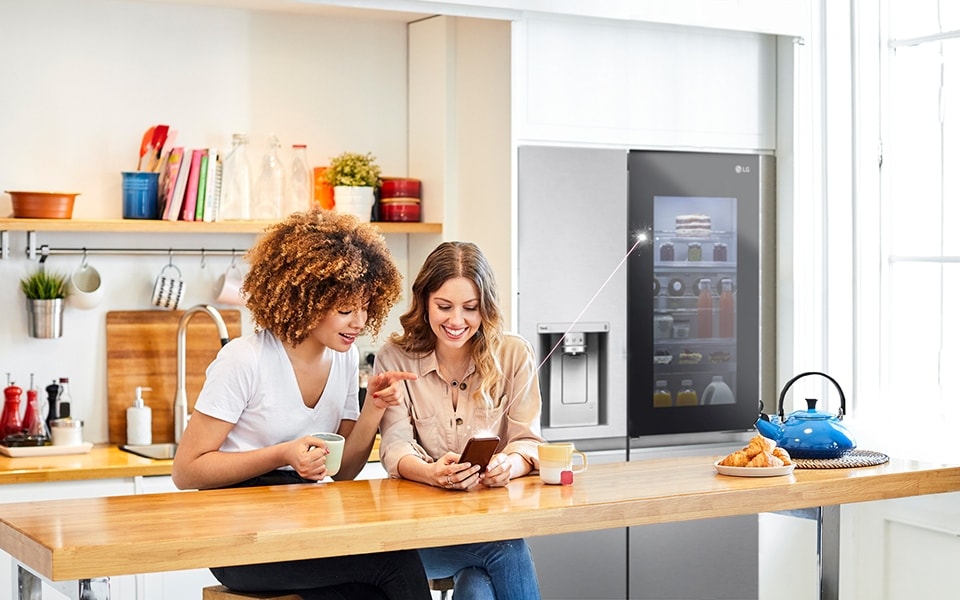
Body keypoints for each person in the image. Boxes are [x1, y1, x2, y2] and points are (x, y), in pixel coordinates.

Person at [172, 209, 431, 600]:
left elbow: (342, 473)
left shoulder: (343, 356)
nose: (359, 322)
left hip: (304, 524)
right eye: (345, 310)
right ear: (306, 300)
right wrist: (283, 454)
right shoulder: (245, 359)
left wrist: (373, 410)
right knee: (394, 561)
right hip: (239, 541)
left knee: (367, 590)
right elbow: (186, 471)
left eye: (365, 306)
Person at [376, 241, 544, 600]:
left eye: (470, 308)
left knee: (476, 585)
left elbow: (527, 440)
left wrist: (508, 466)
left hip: (491, 522)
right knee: (505, 549)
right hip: (421, 537)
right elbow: (395, 443)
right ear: (424, 302)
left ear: (486, 307)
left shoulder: (513, 354)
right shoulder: (395, 358)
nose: (456, 321)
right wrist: (431, 473)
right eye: (444, 306)